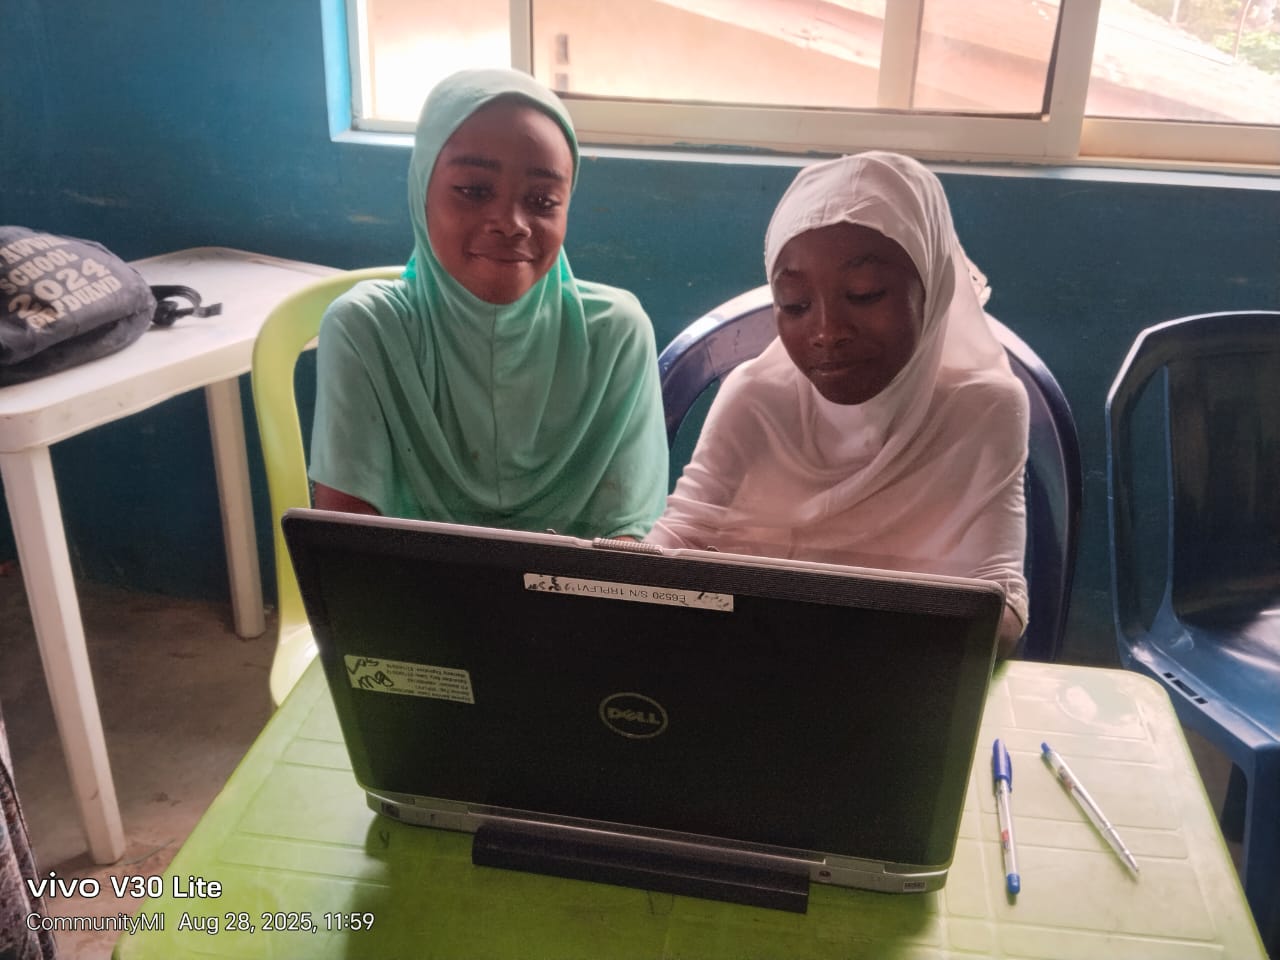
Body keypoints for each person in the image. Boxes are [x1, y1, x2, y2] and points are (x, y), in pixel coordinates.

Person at [648, 152, 1029, 657]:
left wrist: (870, 648)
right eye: (795, 304)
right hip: (746, 661)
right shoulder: (757, 397)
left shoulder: (984, 410)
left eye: (865, 294)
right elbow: (679, 539)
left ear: (932, 284)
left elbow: (1001, 602)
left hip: (903, 673)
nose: (827, 332)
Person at [310, 69, 668, 540]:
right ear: (421, 192)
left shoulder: (615, 336)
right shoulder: (368, 331)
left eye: (543, 199)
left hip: (584, 590)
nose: (511, 222)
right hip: (402, 588)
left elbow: (629, 539)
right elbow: (350, 550)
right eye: (474, 191)